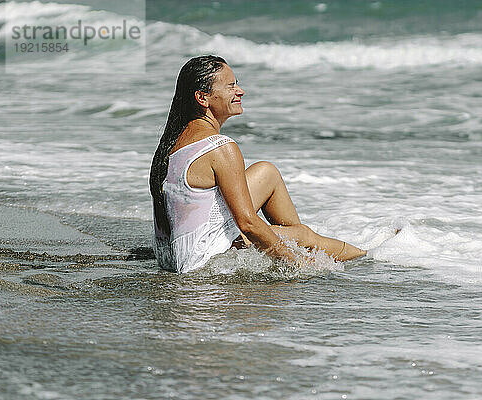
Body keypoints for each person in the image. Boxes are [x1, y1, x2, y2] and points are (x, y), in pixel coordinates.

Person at [150, 55, 366, 273]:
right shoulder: (219, 147)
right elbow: (248, 224)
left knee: (266, 172)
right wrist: (296, 264)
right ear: (202, 98)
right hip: (205, 263)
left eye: (237, 84)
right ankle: (366, 255)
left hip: (176, 256)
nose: (240, 91)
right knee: (302, 235)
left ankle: (345, 250)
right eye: (230, 86)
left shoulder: (173, 143)